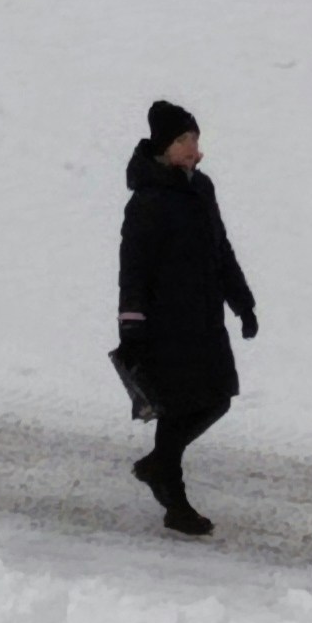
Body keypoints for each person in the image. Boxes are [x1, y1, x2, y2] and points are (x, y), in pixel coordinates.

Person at [113, 97, 257, 535]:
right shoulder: (148, 201)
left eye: (196, 139)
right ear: (164, 147)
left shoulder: (200, 188)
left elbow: (221, 249)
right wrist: (132, 326)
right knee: (182, 405)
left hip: (204, 319)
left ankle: (160, 468)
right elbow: (133, 268)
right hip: (165, 324)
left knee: (217, 397)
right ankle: (172, 494)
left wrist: (242, 301)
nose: (195, 149)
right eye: (184, 140)